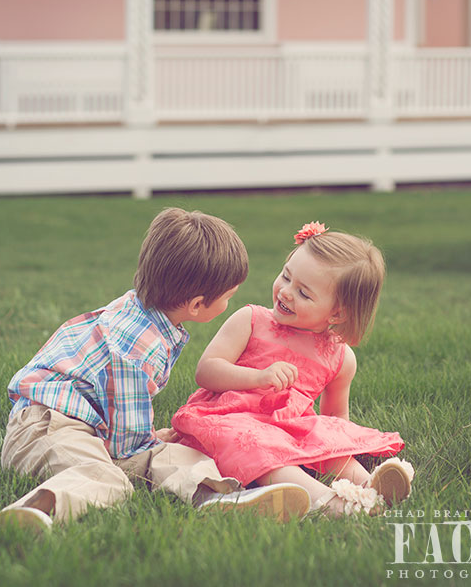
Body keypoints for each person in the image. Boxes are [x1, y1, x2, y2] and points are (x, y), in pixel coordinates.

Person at [0, 208, 311, 534]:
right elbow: (126, 446)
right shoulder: (138, 349)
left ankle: (218, 497)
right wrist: (143, 442)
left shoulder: (143, 309)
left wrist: (149, 441)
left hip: (85, 426)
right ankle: (29, 513)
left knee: (180, 455)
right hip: (45, 428)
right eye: (229, 297)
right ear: (197, 305)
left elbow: (121, 415)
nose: (230, 302)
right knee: (108, 478)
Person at [167, 221, 414, 517]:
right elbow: (206, 371)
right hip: (233, 419)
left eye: (303, 293)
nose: (285, 292)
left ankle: (369, 485)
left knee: (324, 441)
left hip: (289, 427)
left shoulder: (340, 357)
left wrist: (336, 444)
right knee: (259, 445)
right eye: (286, 277)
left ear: (337, 312)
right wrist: (258, 377)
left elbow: (335, 418)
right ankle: (326, 502)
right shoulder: (251, 320)